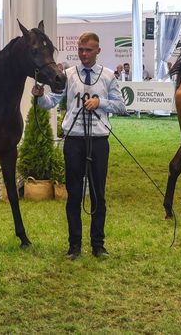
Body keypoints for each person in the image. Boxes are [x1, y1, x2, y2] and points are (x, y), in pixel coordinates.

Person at [31, 32, 125, 259]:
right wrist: (39, 97)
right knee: (73, 195)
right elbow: (52, 101)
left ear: (98, 51)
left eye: (88, 50)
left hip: (99, 141)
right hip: (73, 140)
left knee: (98, 195)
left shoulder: (108, 76)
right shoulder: (69, 75)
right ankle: (74, 246)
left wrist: (100, 103)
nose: (83, 54)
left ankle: (98, 245)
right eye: (81, 50)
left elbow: (121, 106)